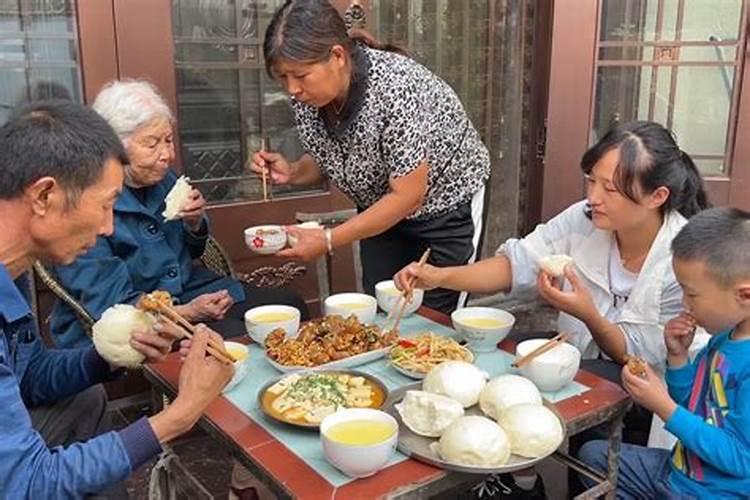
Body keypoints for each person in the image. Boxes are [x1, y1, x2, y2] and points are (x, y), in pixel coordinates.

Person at [395, 120, 710, 498]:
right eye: (591, 180)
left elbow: (640, 358)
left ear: (657, 196)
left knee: (563, 386)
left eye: (610, 189)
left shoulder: (683, 257)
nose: (594, 197)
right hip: (579, 355)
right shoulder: (584, 219)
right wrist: (441, 276)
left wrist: (588, 313)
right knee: (500, 365)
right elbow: (518, 263)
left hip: (653, 387)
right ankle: (523, 480)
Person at [0, 99, 232, 497]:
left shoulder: (12, 269)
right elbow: (27, 482)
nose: (109, 227)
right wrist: (180, 414)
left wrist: (109, 356)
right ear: (43, 196)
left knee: (84, 399)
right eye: (106, 205)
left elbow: (31, 377)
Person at [249, 0, 490, 314]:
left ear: (337, 56)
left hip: (444, 210)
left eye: (300, 76)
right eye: (282, 77)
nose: (292, 89)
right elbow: (334, 157)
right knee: (382, 310)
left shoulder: (395, 88)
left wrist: (329, 239)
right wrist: (293, 171)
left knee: (434, 321)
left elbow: (408, 196)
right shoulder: (307, 96)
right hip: (382, 210)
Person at [51, 80, 308, 347]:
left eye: (169, 141)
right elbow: (112, 304)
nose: (167, 155)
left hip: (191, 289)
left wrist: (194, 223)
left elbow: (195, 250)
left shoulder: (164, 181)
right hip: (139, 314)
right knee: (236, 338)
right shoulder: (84, 204)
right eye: (152, 144)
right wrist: (188, 312)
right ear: (114, 146)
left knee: (290, 307)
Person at [579, 207, 750, 498]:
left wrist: (663, 406)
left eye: (691, 294)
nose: (685, 304)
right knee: (594, 457)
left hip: (710, 493)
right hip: (675, 473)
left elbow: (741, 459)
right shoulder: (724, 338)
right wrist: (678, 359)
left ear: (744, 295)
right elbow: (695, 405)